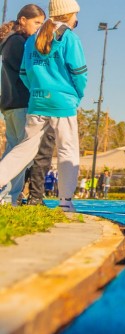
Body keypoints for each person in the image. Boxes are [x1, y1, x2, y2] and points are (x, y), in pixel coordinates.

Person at [0, 4, 45, 206]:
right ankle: (7, 197)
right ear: (23, 20)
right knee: (21, 154)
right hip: (19, 102)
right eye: (36, 22)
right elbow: (26, 72)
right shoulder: (19, 42)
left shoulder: (11, 41)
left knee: (14, 150)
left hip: (10, 103)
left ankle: (9, 196)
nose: (39, 27)